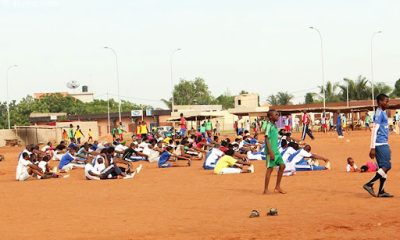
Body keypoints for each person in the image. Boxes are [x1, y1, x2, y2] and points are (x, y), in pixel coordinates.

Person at [363, 94, 393, 198]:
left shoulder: (381, 112)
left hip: (383, 143)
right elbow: (374, 130)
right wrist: (372, 147)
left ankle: (381, 191)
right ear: (380, 102)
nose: (387, 103)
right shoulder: (379, 113)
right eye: (386, 101)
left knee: (382, 167)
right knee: (387, 166)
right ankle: (369, 184)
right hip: (380, 144)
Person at [263, 110, 286, 194]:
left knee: (282, 166)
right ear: (270, 117)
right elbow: (266, 138)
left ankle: (277, 187)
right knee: (270, 169)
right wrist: (270, 151)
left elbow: (276, 136)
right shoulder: (269, 126)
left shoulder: (275, 126)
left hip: (276, 151)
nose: (278, 116)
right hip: (271, 151)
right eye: (276, 115)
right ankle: (265, 189)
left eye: (278, 115)